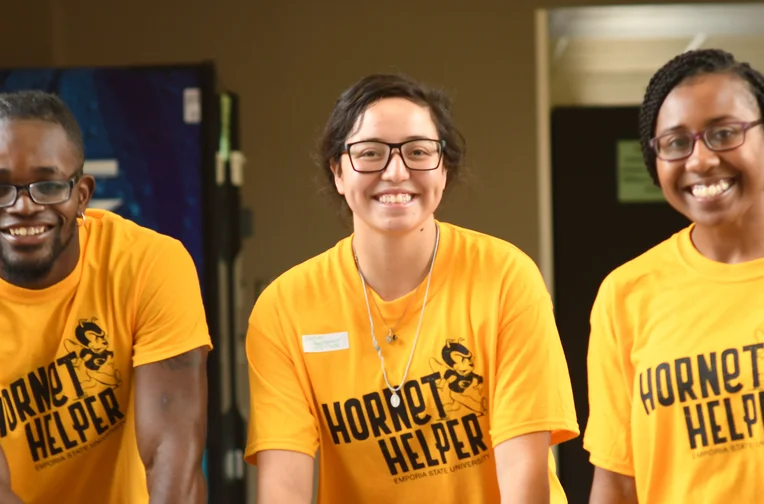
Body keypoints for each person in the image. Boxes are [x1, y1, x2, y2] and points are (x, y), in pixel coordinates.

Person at [244, 73, 579, 503]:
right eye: (370, 153)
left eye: (419, 152)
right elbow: (282, 487)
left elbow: (523, 477)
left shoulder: (506, 278)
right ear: (338, 171)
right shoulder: (284, 308)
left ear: (444, 167)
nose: (396, 171)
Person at [0, 90, 212, 504]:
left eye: (46, 186)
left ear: (81, 195)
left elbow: (173, 455)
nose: (22, 206)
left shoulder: (148, 263)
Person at [584, 48, 764, 504]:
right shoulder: (625, 294)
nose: (700, 160)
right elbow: (618, 482)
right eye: (676, 142)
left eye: (724, 133)